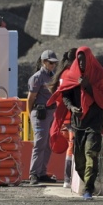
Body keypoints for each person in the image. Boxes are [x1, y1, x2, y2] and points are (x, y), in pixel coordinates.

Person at [47, 46, 103, 200]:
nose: (81, 63)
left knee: (91, 153)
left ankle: (89, 189)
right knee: (79, 160)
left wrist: (89, 87)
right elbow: (65, 95)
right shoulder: (72, 74)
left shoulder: (99, 74)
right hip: (78, 122)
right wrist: (71, 107)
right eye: (79, 60)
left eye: (84, 59)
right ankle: (87, 182)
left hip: (95, 121)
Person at [27, 50, 59, 185]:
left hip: (51, 112)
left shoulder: (54, 76)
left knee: (47, 144)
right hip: (40, 113)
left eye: (54, 63)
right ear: (43, 62)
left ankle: (41, 172)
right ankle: (33, 173)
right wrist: (30, 115)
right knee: (40, 143)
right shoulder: (37, 77)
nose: (53, 65)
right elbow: (30, 98)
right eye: (50, 62)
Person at [49, 47, 78, 188]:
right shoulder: (71, 74)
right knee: (72, 148)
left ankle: (68, 179)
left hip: (63, 118)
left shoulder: (61, 74)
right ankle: (68, 178)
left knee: (70, 148)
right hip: (70, 117)